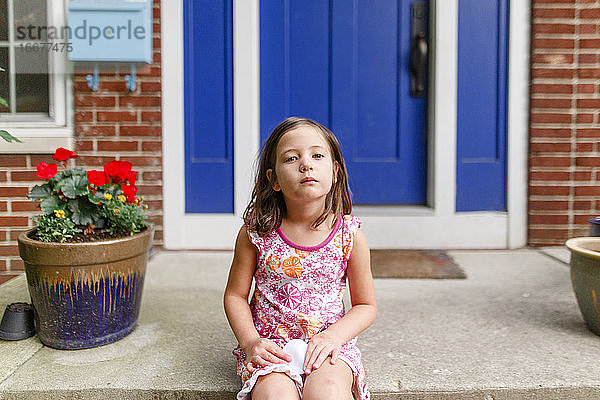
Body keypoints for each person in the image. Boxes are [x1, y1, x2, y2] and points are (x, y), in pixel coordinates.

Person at [223, 116, 377, 400]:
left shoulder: (350, 237)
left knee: (329, 393)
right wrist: (251, 342)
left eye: (317, 155)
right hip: (271, 347)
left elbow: (366, 305)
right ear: (273, 180)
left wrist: (334, 337)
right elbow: (235, 295)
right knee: (274, 396)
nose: (306, 164)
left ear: (335, 173)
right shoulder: (256, 233)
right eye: (291, 158)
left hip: (329, 345)